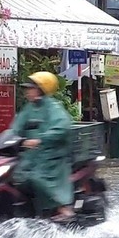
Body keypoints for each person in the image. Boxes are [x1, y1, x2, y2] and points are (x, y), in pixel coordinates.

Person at [10, 71, 75, 222]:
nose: (28, 91)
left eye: (31, 88)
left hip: (51, 156)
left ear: (41, 89)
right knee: (16, 176)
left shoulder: (53, 108)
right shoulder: (28, 108)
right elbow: (15, 127)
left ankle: (63, 207)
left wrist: (41, 140)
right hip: (30, 156)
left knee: (37, 177)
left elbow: (63, 126)